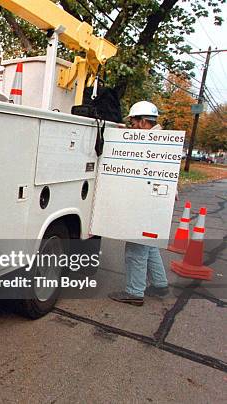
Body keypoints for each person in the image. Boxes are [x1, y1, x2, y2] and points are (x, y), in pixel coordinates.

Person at [108, 101, 170, 306]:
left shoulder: (149, 144)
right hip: (157, 202)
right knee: (149, 245)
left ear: (143, 122)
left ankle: (134, 292)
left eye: (133, 123)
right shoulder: (162, 139)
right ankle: (160, 284)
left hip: (145, 202)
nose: (132, 126)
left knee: (136, 248)